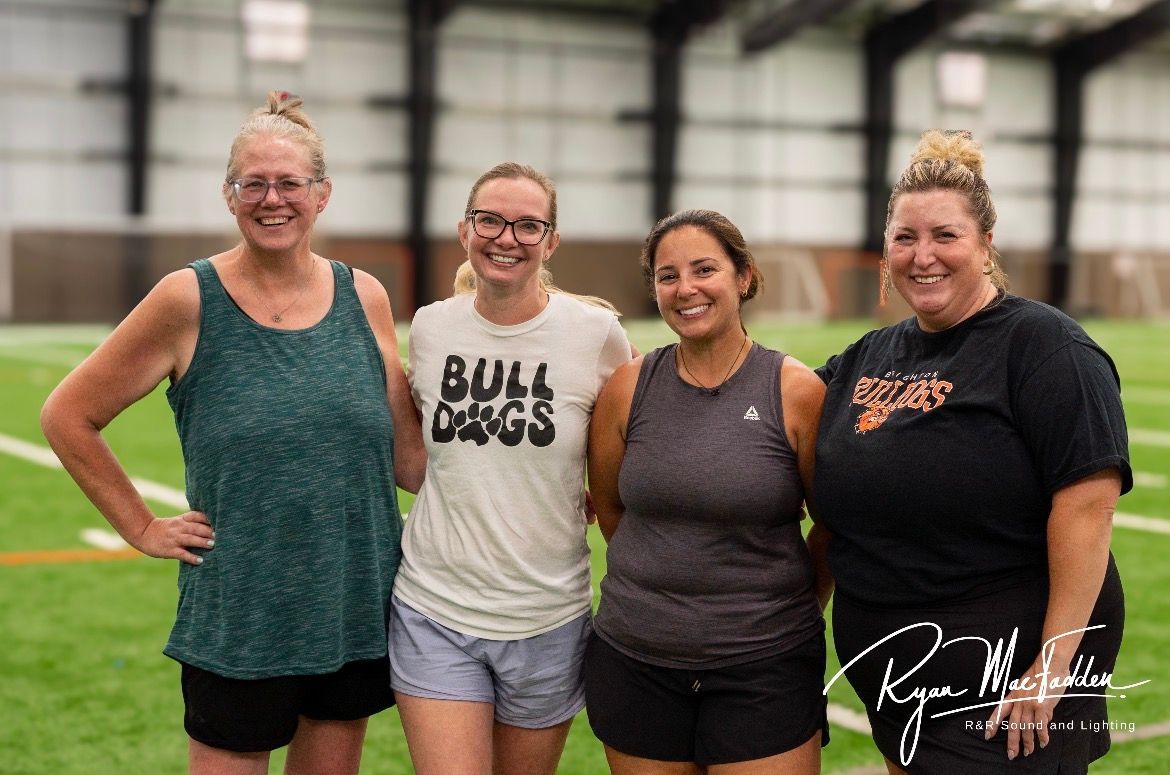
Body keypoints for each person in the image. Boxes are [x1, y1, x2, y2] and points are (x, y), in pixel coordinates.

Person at [40, 91, 424, 775]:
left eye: (290, 183)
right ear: (229, 194)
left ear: (322, 194)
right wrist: (140, 525)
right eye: (254, 183)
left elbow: (406, 457)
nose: (271, 198)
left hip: (352, 602)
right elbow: (67, 415)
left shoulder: (365, 294)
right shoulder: (187, 299)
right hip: (242, 612)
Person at [816, 130, 1131, 774]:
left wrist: (1053, 666)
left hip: (1005, 676)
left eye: (945, 236)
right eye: (904, 238)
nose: (922, 254)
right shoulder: (869, 355)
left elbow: (1087, 508)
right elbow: (768, 417)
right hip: (892, 667)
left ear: (986, 244)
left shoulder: (1045, 347)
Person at [389, 162, 633, 775]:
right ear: (464, 229)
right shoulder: (430, 327)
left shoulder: (595, 334)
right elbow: (419, 453)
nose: (507, 238)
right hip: (434, 608)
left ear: (551, 241)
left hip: (548, 616)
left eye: (528, 226)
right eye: (490, 220)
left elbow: (638, 438)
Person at [584, 208, 831, 774]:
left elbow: (831, 525)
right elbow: (612, 509)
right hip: (636, 661)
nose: (685, 289)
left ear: (743, 277)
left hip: (766, 665)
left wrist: (779, 609)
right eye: (668, 275)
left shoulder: (795, 391)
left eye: (704, 270)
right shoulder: (628, 388)